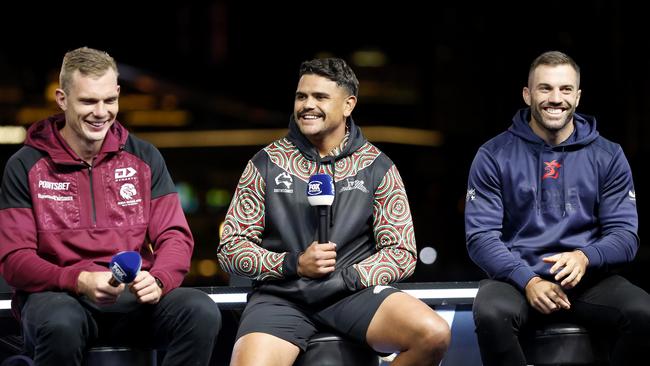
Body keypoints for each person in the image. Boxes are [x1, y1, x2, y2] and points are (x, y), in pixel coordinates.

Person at [218, 58, 450, 365]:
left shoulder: (377, 166)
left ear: (348, 105)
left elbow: (402, 252)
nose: (307, 105)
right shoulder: (265, 162)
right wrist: (294, 264)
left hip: (352, 294)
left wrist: (348, 278)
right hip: (282, 297)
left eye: (320, 97)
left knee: (434, 334)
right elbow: (230, 248)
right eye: (302, 96)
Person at [0, 47, 221, 366]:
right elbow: (14, 261)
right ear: (62, 99)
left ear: (118, 94)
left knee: (200, 311)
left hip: (134, 302)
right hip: (61, 298)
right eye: (88, 101)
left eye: (109, 100)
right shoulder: (26, 165)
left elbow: (175, 236)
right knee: (60, 324)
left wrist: (158, 279)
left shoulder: (144, 157)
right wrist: (79, 280)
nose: (100, 112)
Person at [465, 50, 650, 365]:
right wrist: (529, 280)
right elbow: (480, 237)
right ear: (527, 94)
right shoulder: (494, 154)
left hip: (587, 280)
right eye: (545, 88)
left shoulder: (608, 155)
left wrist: (585, 256)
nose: (555, 98)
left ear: (578, 97)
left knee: (643, 312)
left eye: (565, 90)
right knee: (491, 312)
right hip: (517, 278)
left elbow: (626, 236)